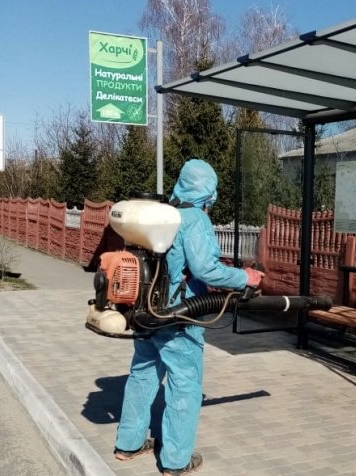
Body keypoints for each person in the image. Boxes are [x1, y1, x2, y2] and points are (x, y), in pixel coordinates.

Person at [113, 158, 264, 475]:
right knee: (185, 386)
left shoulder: (160, 214)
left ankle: (128, 443)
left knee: (142, 376)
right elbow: (205, 269)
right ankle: (175, 462)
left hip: (144, 311)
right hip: (178, 318)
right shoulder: (194, 218)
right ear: (207, 190)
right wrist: (245, 278)